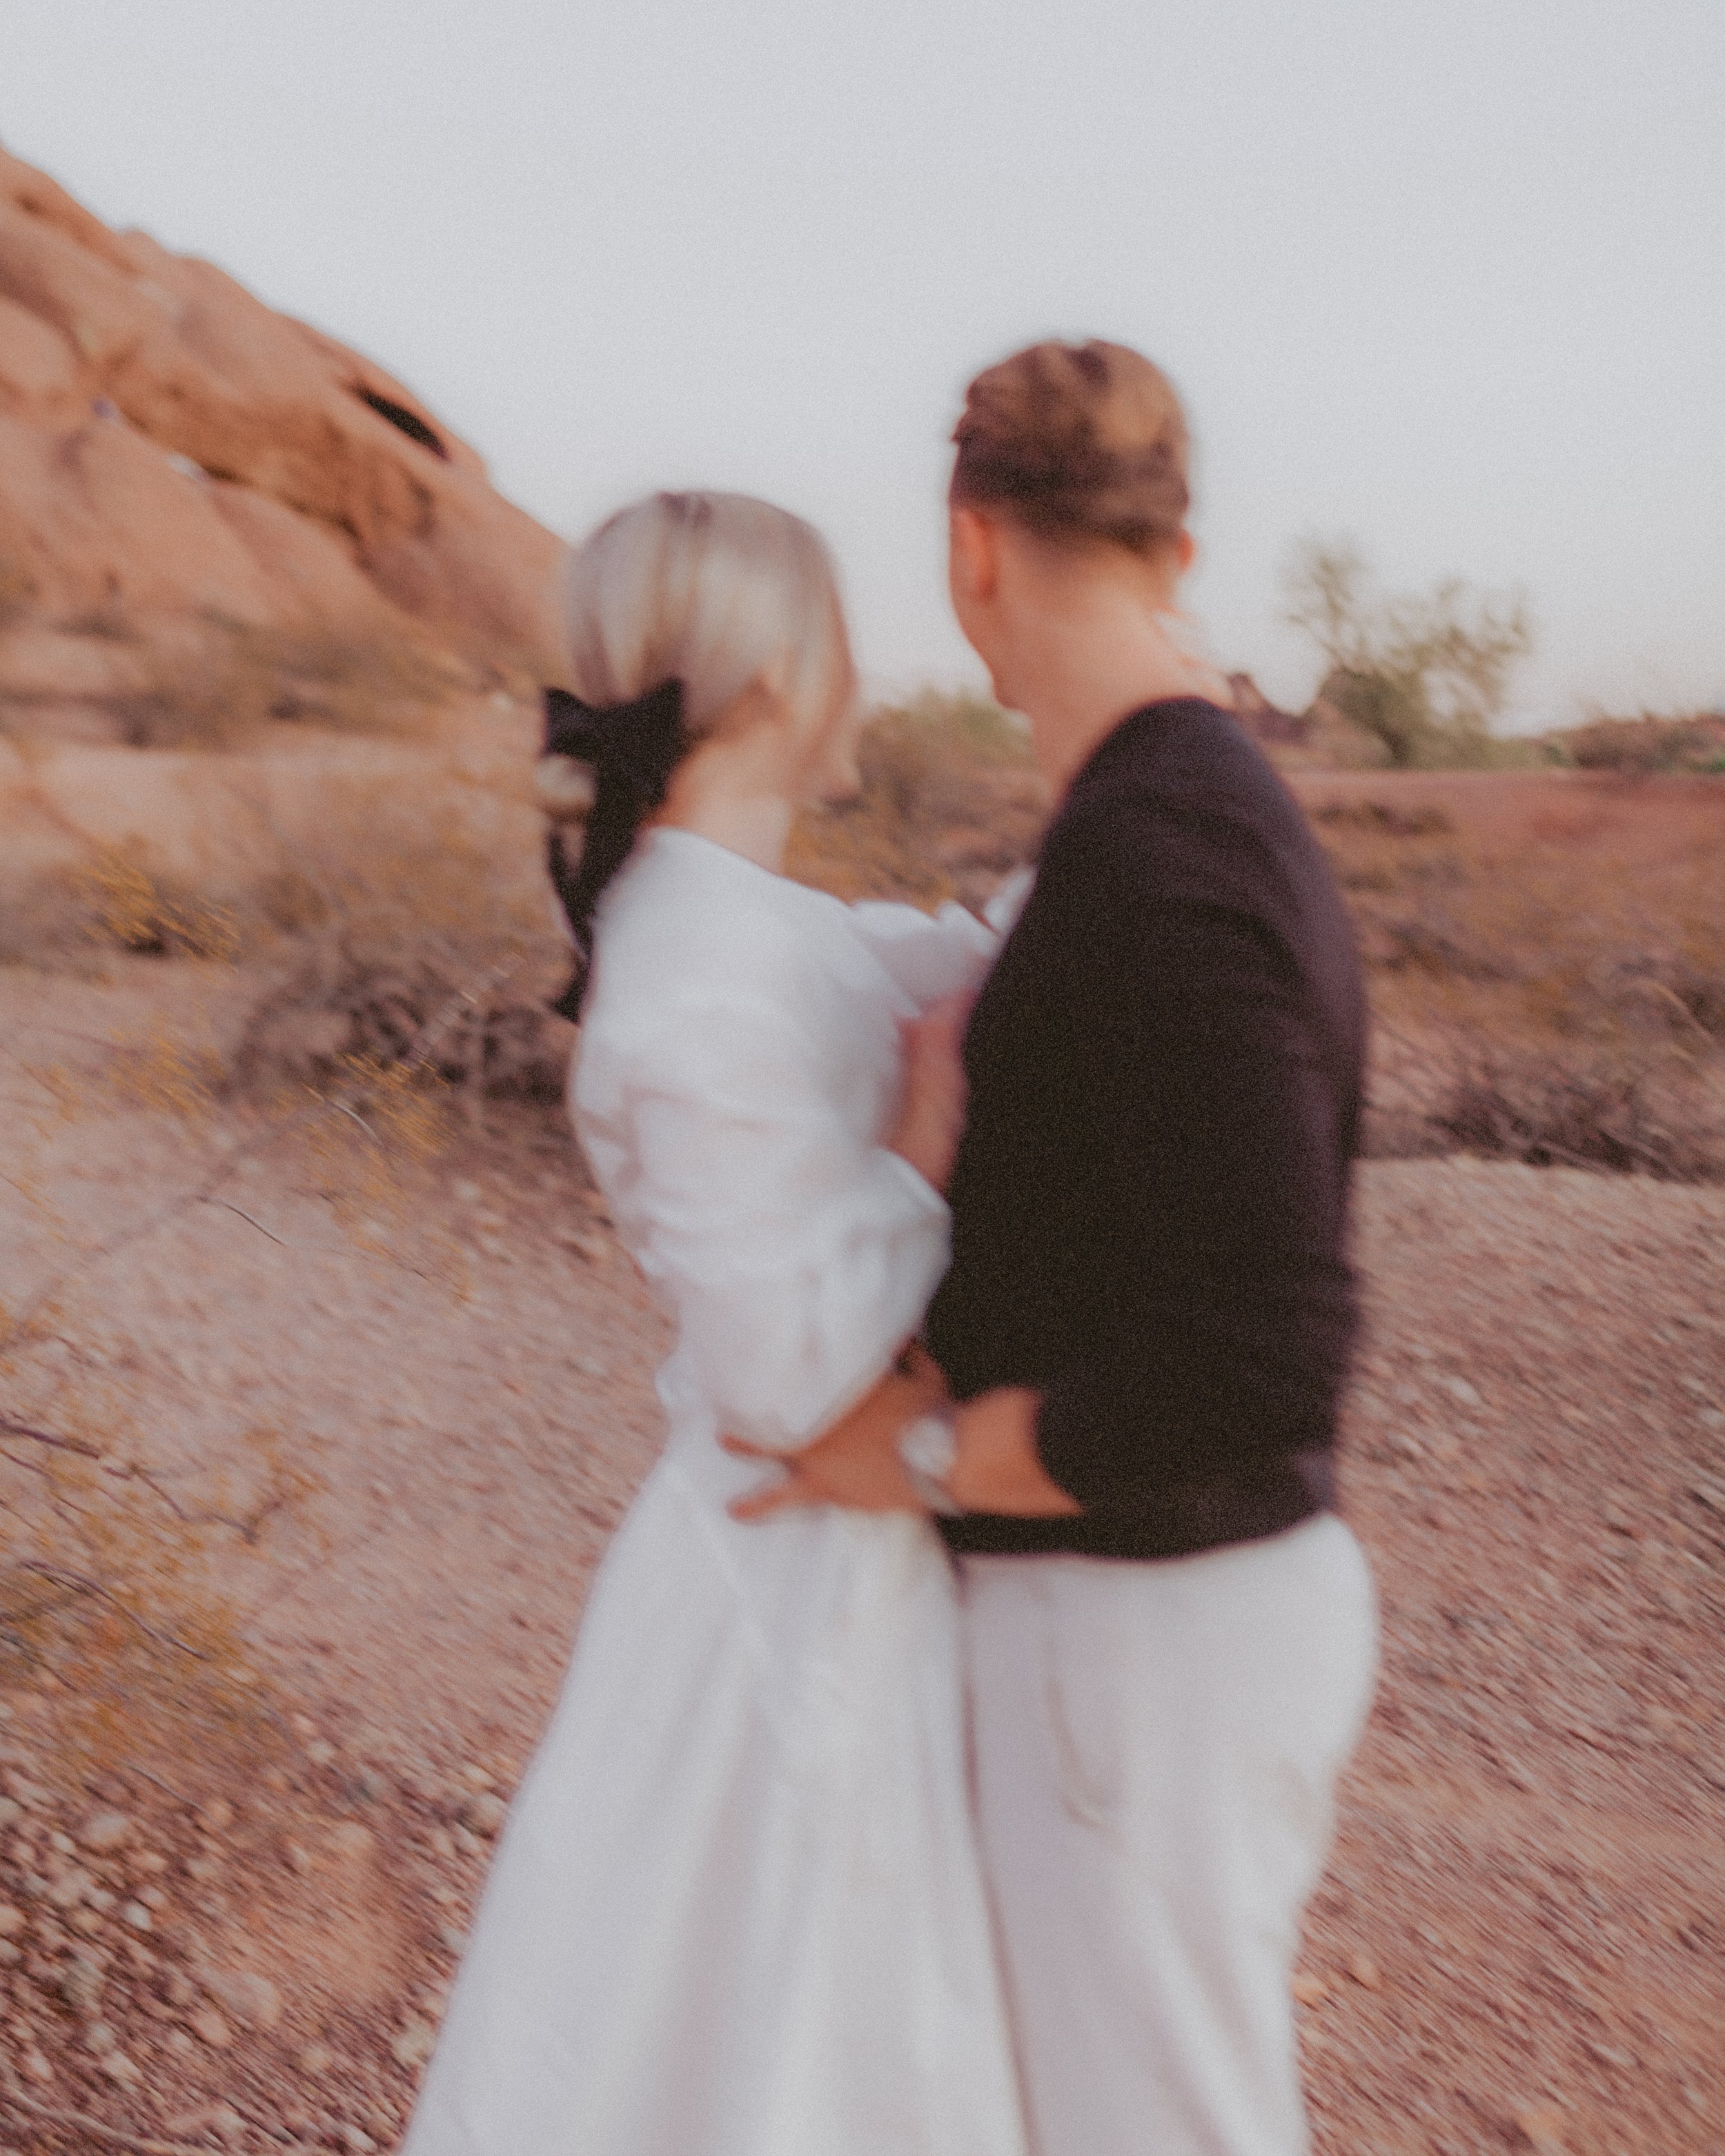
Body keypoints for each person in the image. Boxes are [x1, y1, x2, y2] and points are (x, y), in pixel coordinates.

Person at [727, 342, 1380, 2156]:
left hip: (1144, 1622)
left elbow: (1259, 1360)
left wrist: (913, 1454)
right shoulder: (1159, 823)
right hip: (1152, 1616)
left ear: (969, 547)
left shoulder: (1158, 855)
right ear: (1178, 550)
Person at [402, 492, 1028, 2156]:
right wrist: (930, 1134)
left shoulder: (745, 925)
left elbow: (949, 956)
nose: (864, 676)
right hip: (782, 1580)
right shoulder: (689, 970)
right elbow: (787, 1368)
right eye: (839, 638)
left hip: (845, 1551)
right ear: (772, 675)